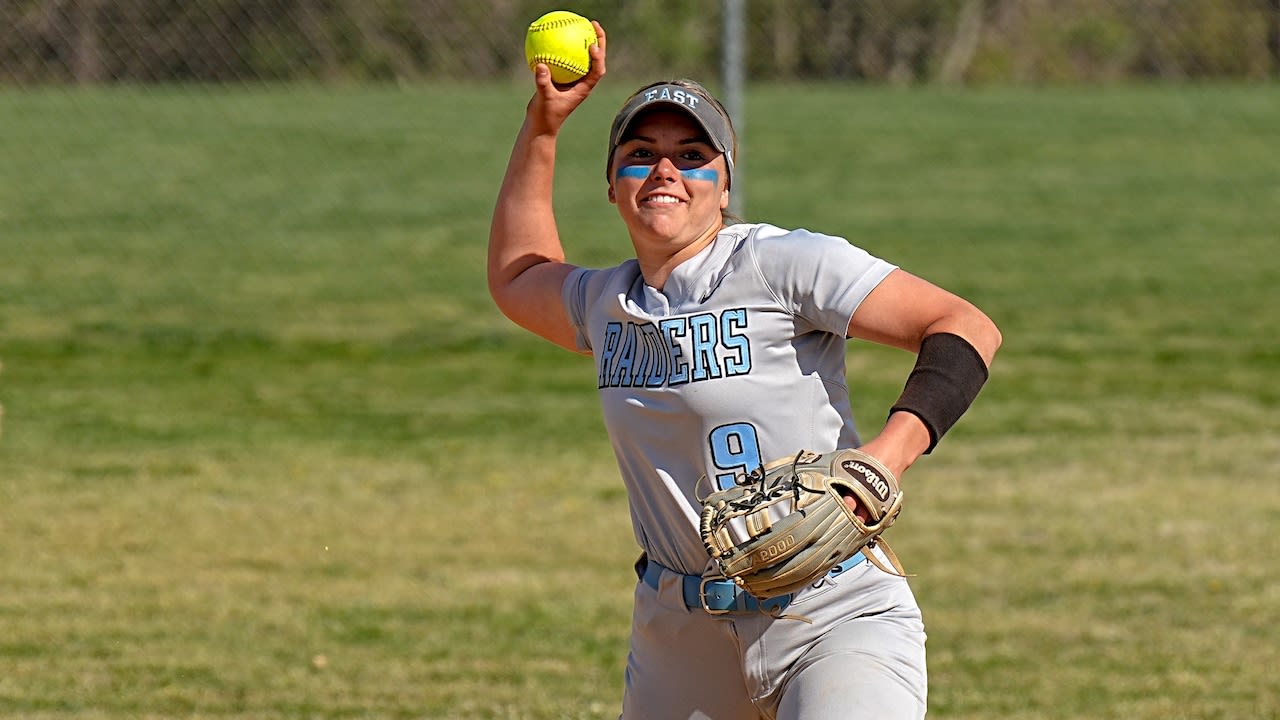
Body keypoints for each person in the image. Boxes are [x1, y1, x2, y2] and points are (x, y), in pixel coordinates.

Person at [488, 21, 1001, 720]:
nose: (665, 170)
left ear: (724, 184)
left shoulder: (781, 264)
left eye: (692, 155)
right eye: (641, 155)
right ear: (613, 187)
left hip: (830, 612)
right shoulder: (607, 304)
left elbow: (965, 327)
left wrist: (887, 457)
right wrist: (543, 127)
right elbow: (518, 276)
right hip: (679, 637)